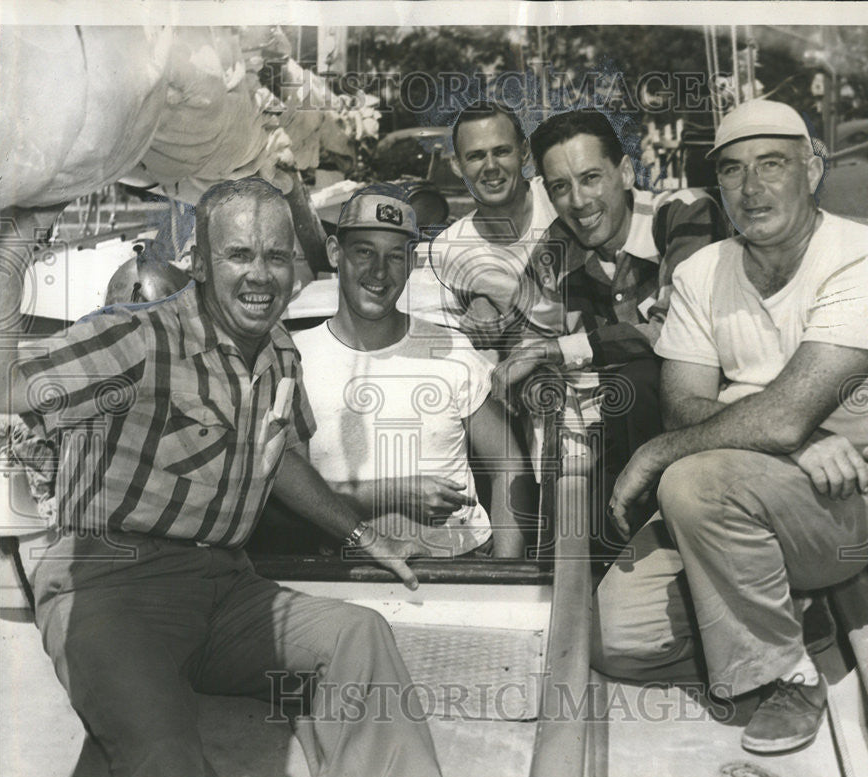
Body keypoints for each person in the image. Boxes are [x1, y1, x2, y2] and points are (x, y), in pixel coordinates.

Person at [8, 177, 441, 777]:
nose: (260, 275)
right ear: (199, 264)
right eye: (239, 254)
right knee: (164, 760)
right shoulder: (138, 336)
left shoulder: (280, 351)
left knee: (357, 636)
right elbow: (6, 381)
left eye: (276, 256)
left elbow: (279, 456)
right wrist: (10, 251)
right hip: (112, 589)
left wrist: (363, 536)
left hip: (229, 587)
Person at [594, 99, 868, 754]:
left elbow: (770, 418)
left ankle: (787, 674)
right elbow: (684, 406)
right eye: (734, 171)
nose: (752, 188)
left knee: (689, 479)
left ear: (814, 167)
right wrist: (795, 440)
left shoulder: (865, 256)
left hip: (862, 485)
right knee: (618, 639)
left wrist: (663, 452)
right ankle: (795, 616)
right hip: (755, 476)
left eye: (773, 164)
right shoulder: (700, 270)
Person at [490, 108, 728, 533]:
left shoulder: (682, 215)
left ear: (625, 171)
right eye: (561, 187)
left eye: (591, 178)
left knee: (637, 378)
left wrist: (557, 350)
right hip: (613, 439)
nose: (578, 202)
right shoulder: (558, 246)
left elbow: (670, 332)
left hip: (706, 431)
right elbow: (520, 343)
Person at [295, 184, 536, 558]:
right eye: (363, 252)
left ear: (411, 263)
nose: (379, 271)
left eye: (395, 256)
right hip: (339, 574)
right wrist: (396, 492)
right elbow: (283, 489)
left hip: (460, 566)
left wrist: (505, 572)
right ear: (333, 253)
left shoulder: (449, 348)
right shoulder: (293, 358)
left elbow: (509, 463)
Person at [426, 99, 564, 350]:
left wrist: (490, 300)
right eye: (476, 156)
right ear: (457, 165)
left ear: (523, 152)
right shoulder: (449, 249)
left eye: (501, 151)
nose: (491, 167)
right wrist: (478, 301)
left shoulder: (559, 200)